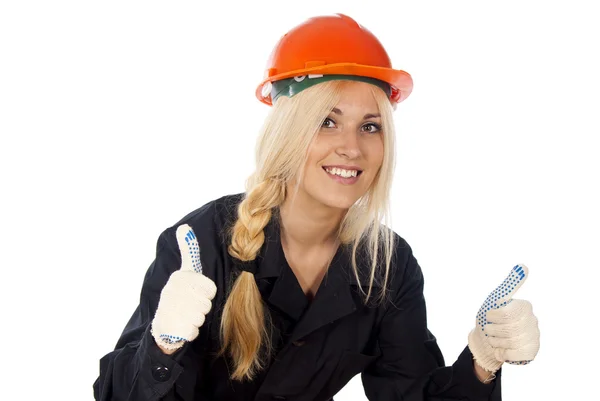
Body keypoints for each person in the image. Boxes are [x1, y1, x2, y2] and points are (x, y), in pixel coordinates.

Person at [93, 13, 540, 401]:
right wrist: (162, 348)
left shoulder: (387, 266)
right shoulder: (203, 243)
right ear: (288, 130)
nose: (352, 147)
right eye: (327, 122)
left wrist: (482, 360)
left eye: (370, 126)